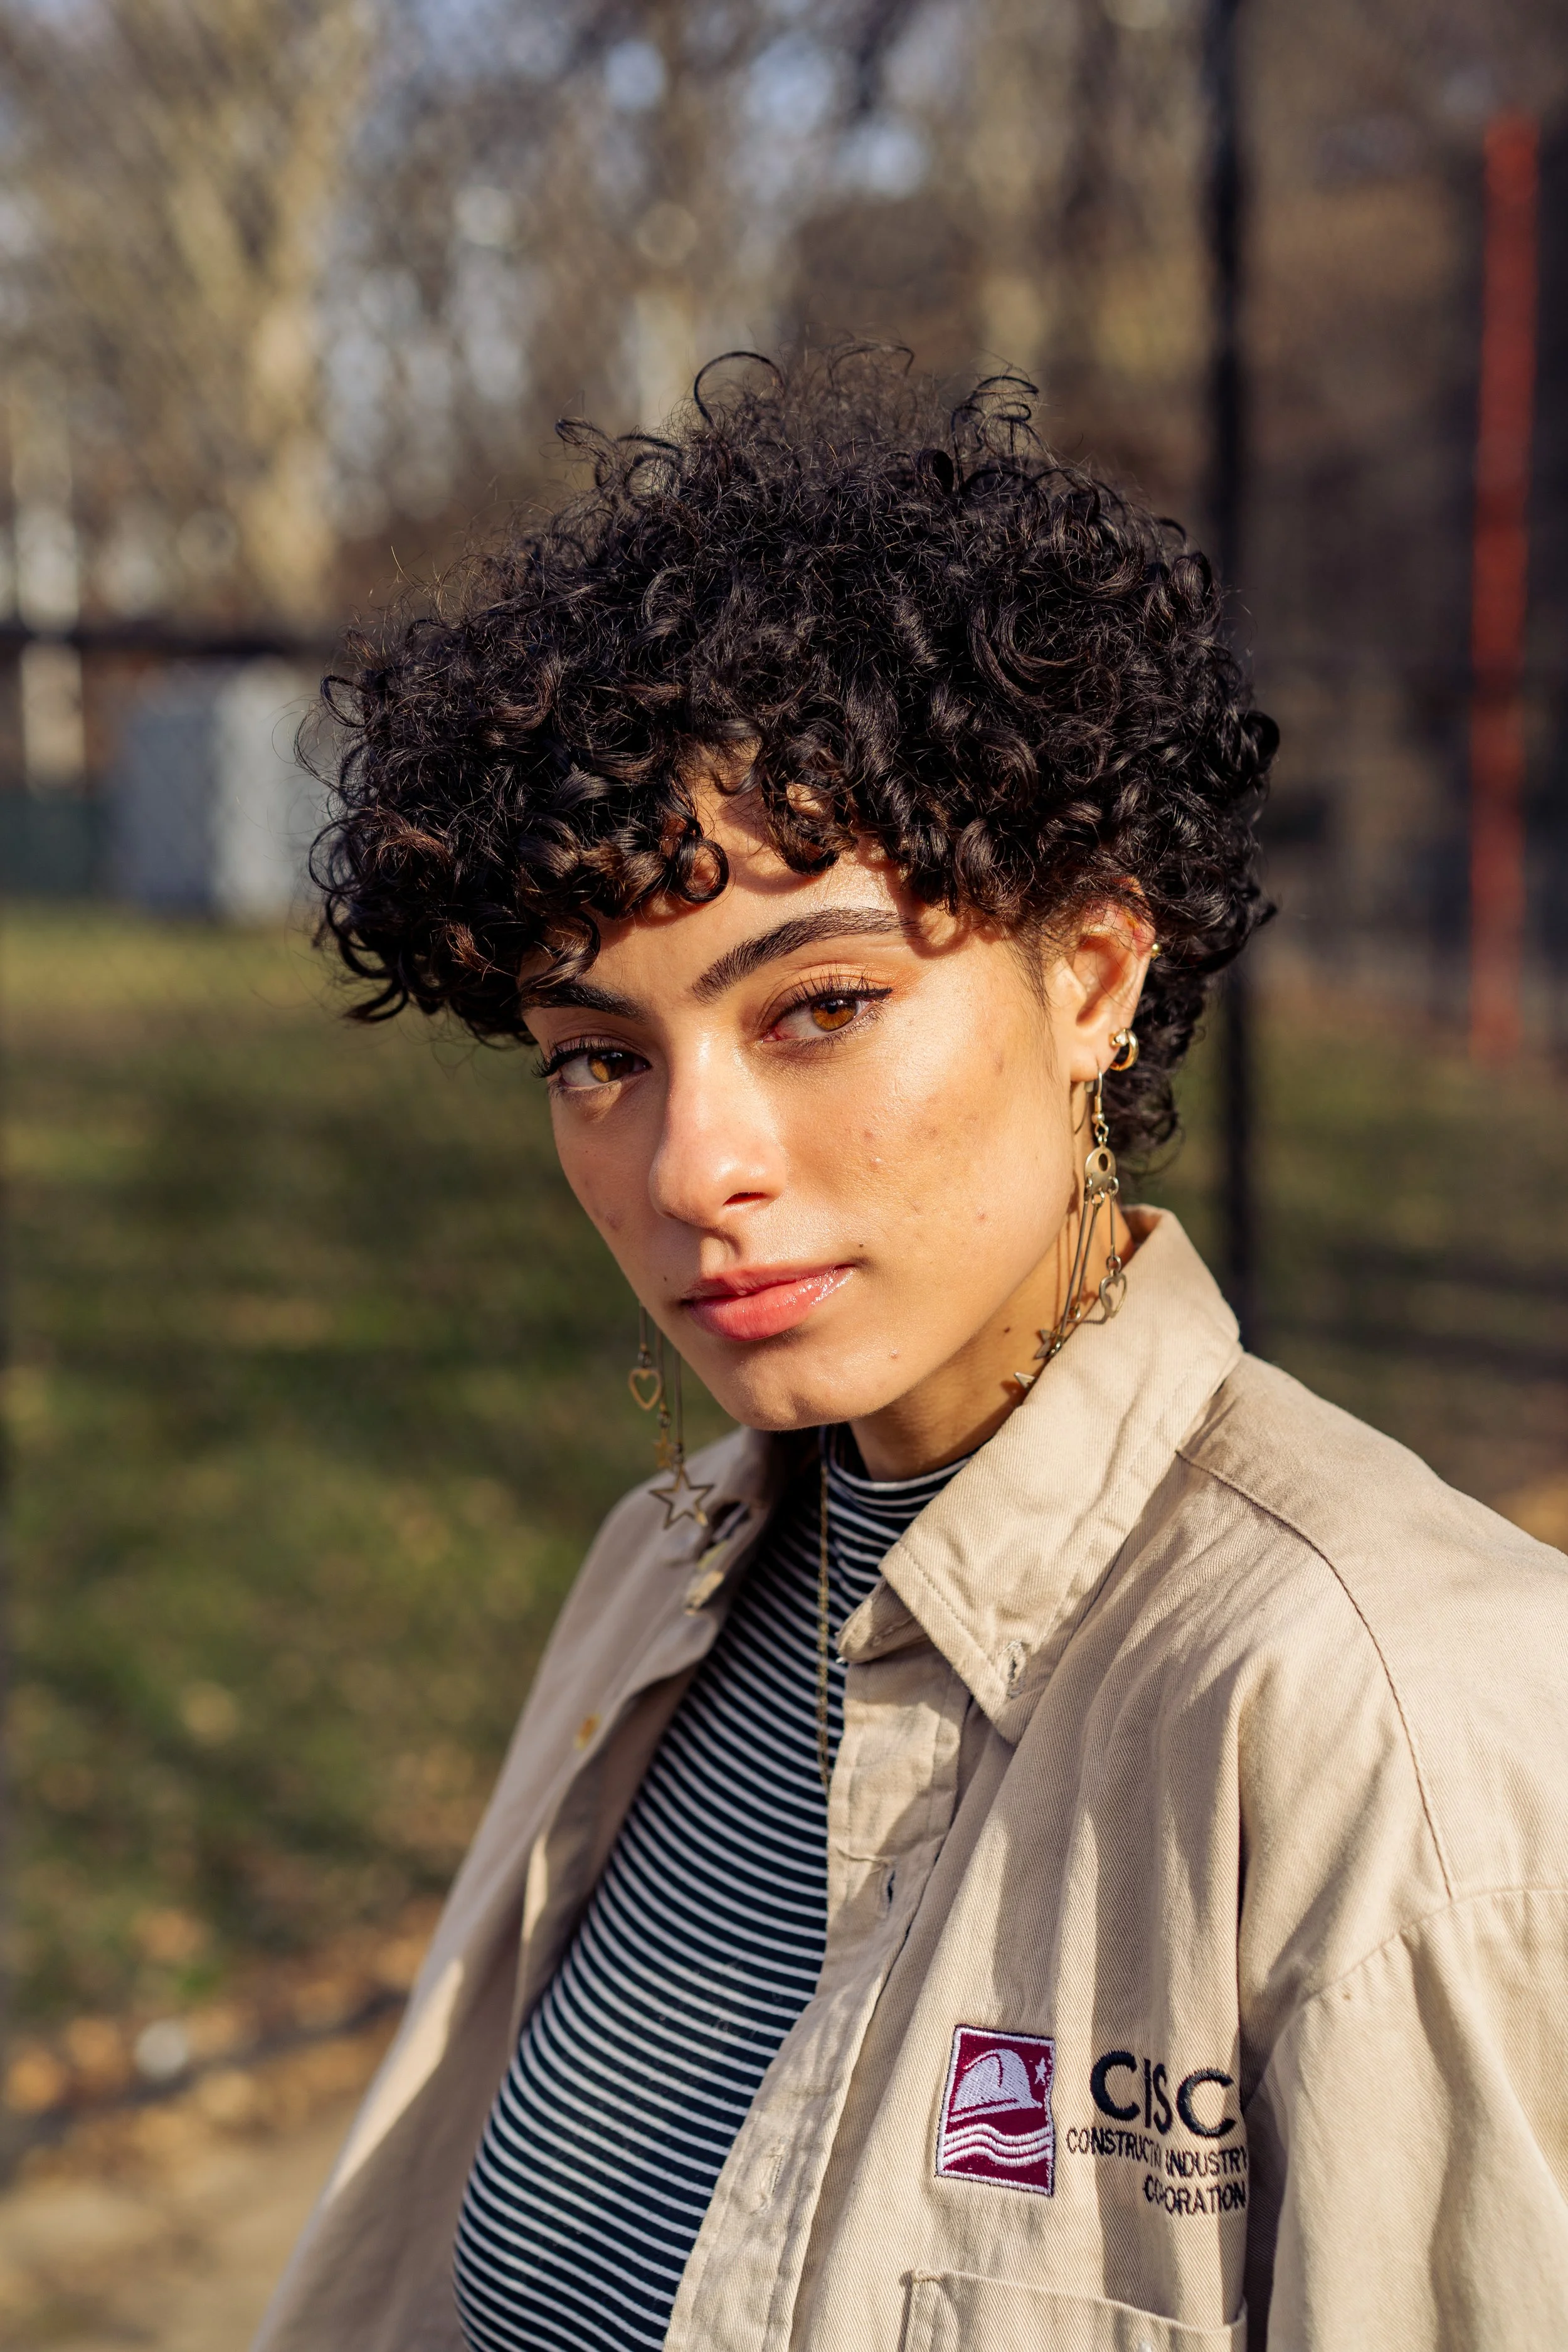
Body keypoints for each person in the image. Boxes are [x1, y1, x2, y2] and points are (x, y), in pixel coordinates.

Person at [255, 354, 1568, 2352]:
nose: (695, 1167)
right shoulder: (656, 1585)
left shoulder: (1391, 1712)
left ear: (1093, 978)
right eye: (600, 1056)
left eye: (820, 1005)